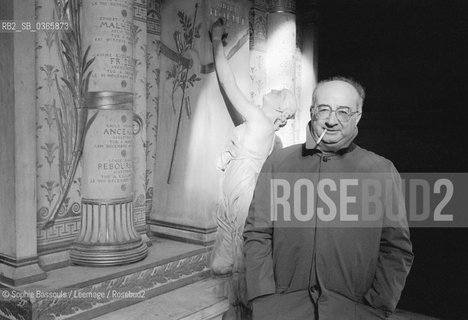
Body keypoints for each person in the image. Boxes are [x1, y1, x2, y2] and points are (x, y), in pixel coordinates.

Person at [244, 77, 414, 320]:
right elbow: (257, 233)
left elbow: (396, 248)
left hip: (355, 312)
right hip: (282, 311)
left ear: (358, 116)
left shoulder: (381, 170)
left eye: (344, 112)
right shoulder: (279, 162)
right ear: (312, 111)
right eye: (324, 109)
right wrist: (263, 299)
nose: (332, 120)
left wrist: (377, 306)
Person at [208, 18, 297, 320]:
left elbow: (228, 84)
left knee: (240, 251)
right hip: (242, 183)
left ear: (281, 111)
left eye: (280, 92)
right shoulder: (269, 134)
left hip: (242, 186)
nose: (275, 90)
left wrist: (216, 41)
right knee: (238, 247)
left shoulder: (260, 121)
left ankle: (241, 311)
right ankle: (240, 310)